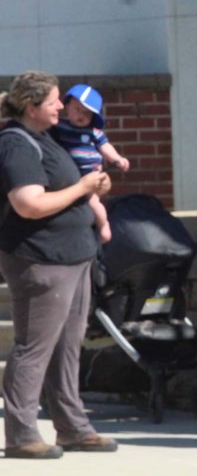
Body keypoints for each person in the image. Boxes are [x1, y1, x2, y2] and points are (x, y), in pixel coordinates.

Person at [0, 71, 118, 459]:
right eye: (53, 101)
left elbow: (69, 184)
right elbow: (28, 203)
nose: (61, 107)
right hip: (41, 259)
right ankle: (21, 435)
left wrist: (93, 188)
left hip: (75, 256)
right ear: (32, 107)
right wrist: (84, 189)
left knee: (68, 346)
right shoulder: (17, 144)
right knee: (34, 348)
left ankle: (72, 427)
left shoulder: (46, 137)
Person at [49, 84, 130, 244]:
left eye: (86, 112)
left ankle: (104, 225)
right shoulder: (60, 126)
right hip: (71, 173)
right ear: (67, 107)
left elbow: (105, 147)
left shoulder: (94, 132)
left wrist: (117, 159)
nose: (81, 115)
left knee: (93, 202)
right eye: (77, 109)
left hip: (90, 173)